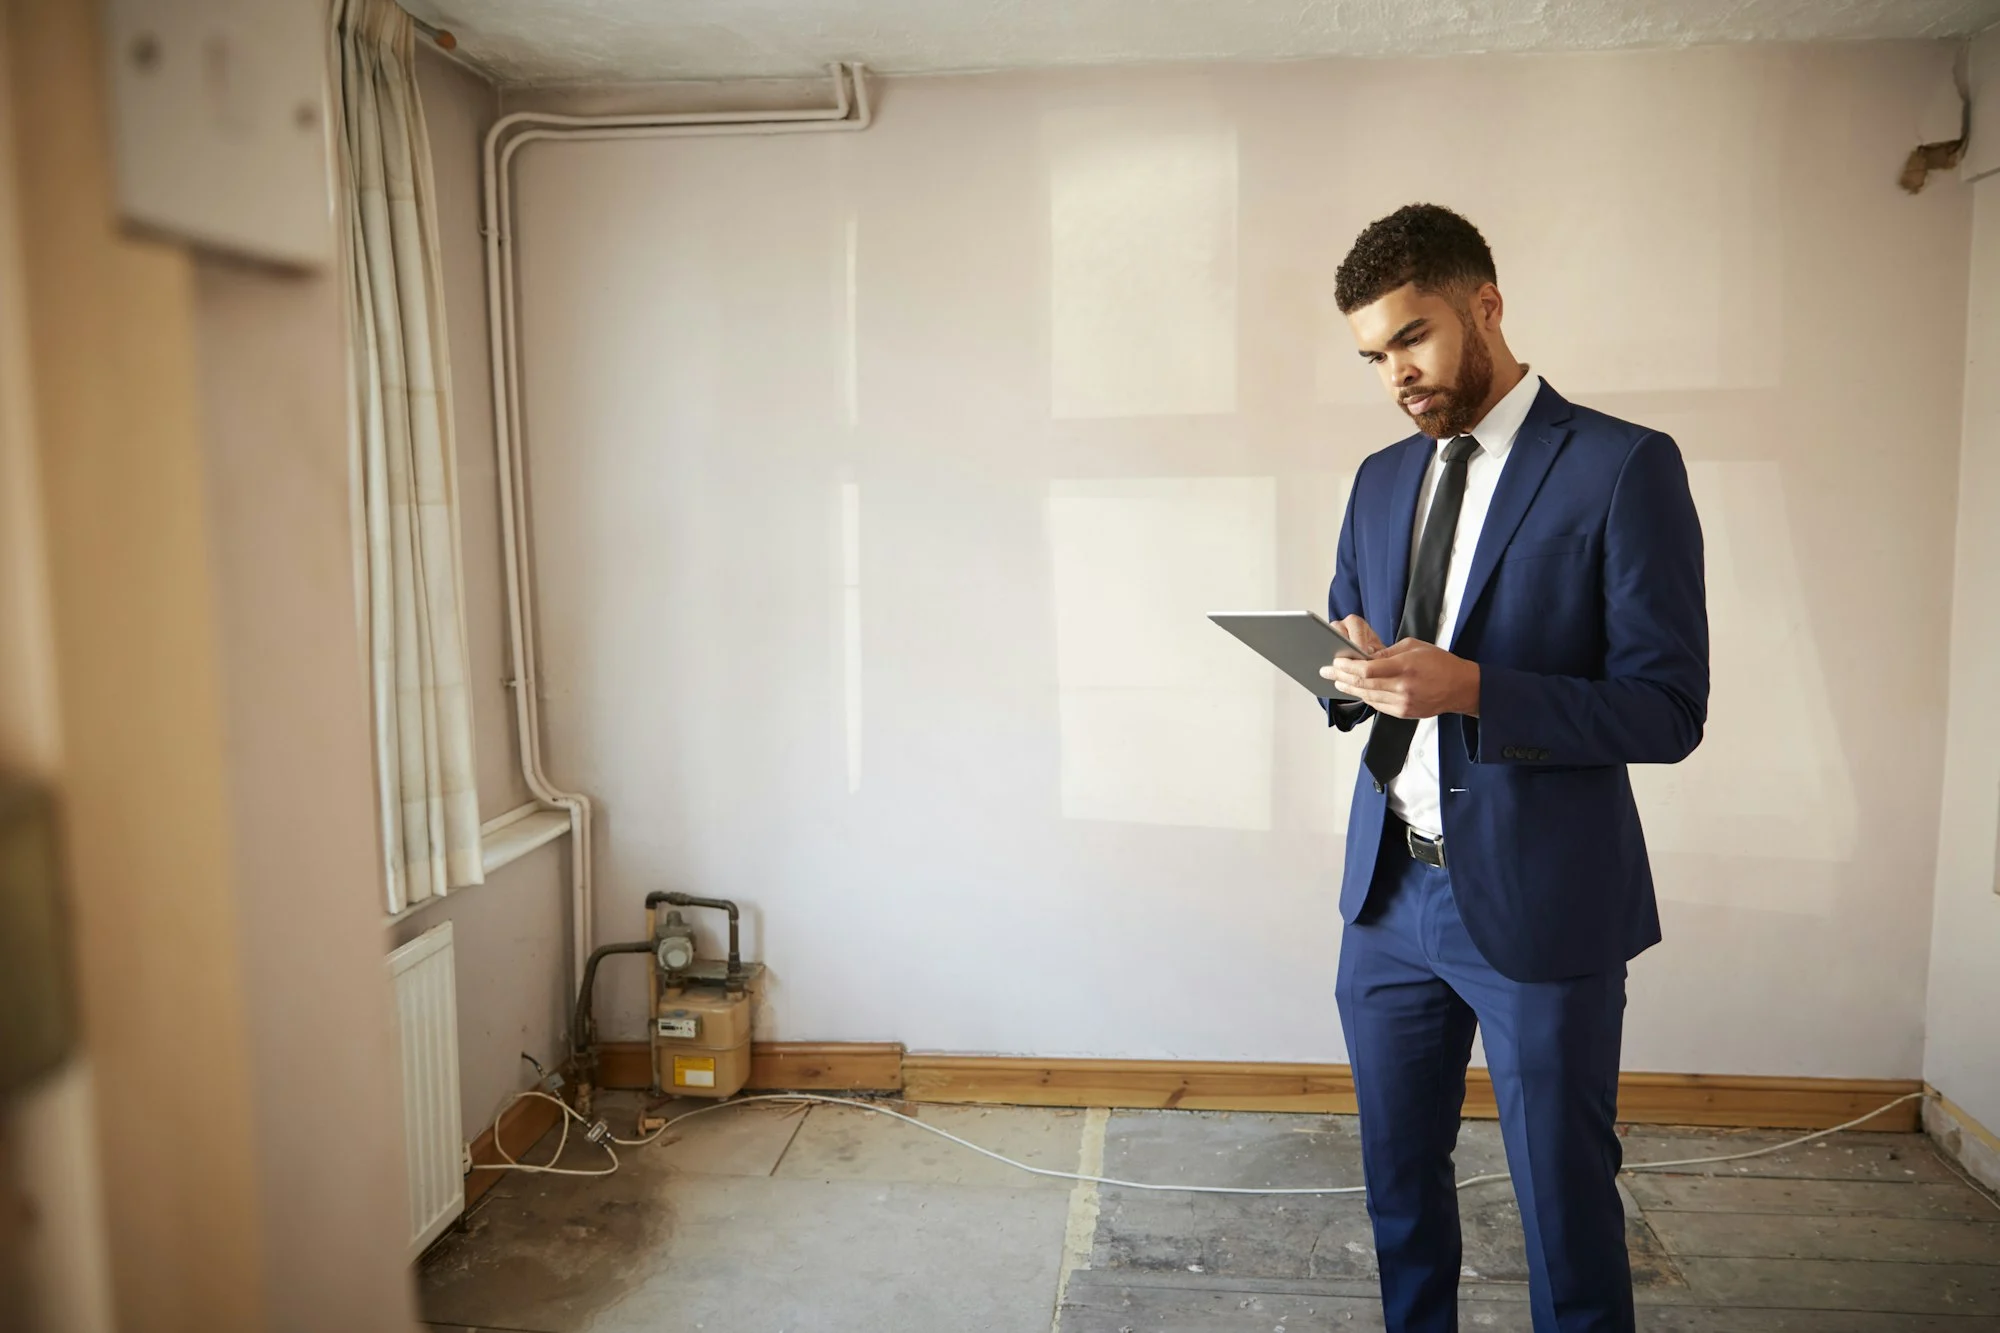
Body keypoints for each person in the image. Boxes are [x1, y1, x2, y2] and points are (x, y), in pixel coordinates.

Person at [1316, 203, 1709, 1333]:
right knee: (1397, 1188)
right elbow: (1363, 650)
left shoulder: (1622, 466)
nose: (1396, 374)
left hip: (1544, 899)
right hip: (1387, 895)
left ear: (1484, 305)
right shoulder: (1378, 478)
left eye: (1413, 337)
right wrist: (1344, 673)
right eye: (1373, 356)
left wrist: (1474, 687)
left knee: (1565, 1208)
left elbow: (1666, 709)